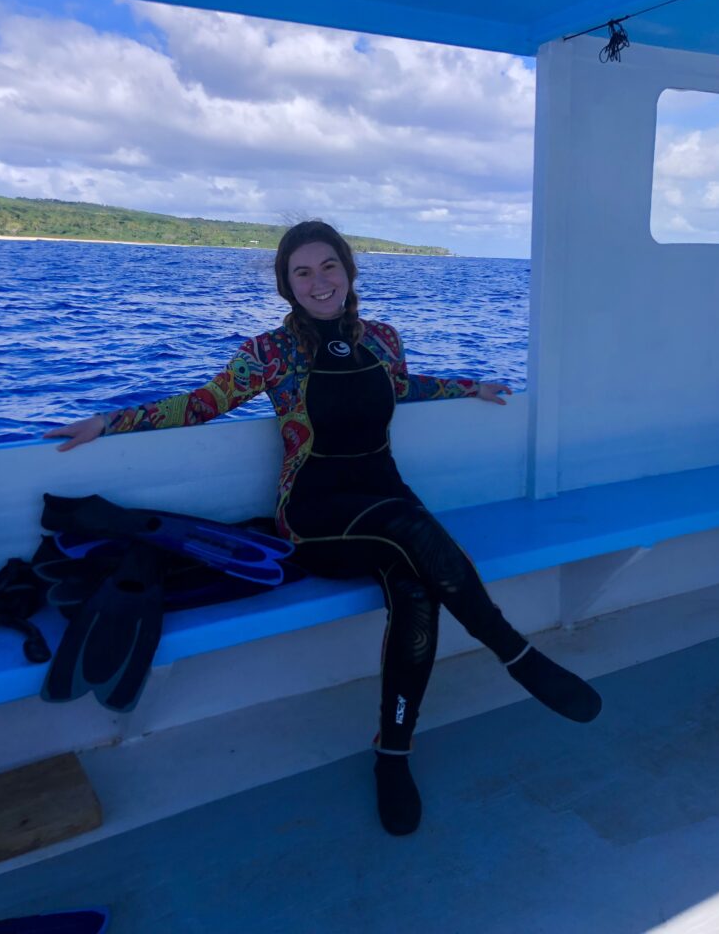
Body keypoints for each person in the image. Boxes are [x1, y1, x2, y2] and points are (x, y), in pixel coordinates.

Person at [45, 220, 601, 836]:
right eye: (302, 272)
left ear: (349, 270)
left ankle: (394, 753)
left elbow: (401, 387)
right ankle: (516, 654)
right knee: (408, 525)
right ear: (287, 285)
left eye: (328, 266)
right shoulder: (270, 353)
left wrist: (469, 386)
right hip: (314, 516)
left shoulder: (384, 339)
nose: (318, 282)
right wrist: (110, 422)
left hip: (385, 498)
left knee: (415, 590)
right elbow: (201, 404)